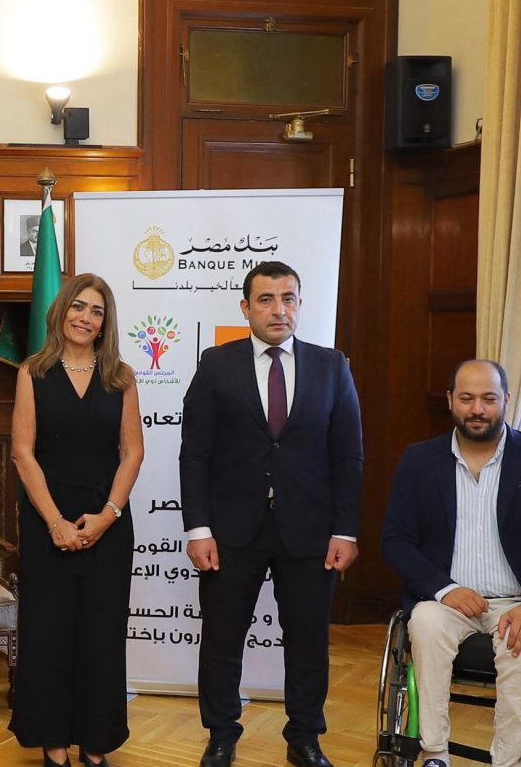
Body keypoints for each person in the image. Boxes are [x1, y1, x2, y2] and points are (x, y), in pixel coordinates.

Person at [180, 260, 362, 767]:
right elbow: (195, 454)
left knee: (307, 642)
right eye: (266, 299)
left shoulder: (332, 366)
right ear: (246, 308)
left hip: (310, 532)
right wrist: (198, 528)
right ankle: (221, 734)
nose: (278, 309)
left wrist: (346, 531)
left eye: (288, 298)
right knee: (222, 640)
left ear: (300, 304)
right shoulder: (216, 365)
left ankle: (305, 738)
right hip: (231, 531)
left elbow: (348, 456)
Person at [379, 360, 521, 767]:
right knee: (425, 622)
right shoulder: (419, 461)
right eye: (467, 398)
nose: (477, 409)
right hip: (446, 599)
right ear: (450, 400)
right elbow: (396, 541)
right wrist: (445, 589)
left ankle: (509, 761)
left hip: (520, 601)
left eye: (489, 398)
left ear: (506, 400)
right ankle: (434, 753)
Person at [7, 274, 143, 766]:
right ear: (62, 310)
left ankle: (96, 741)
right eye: (79, 306)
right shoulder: (34, 371)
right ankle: (54, 743)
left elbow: (132, 452)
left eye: (97, 311)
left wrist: (107, 516)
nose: (86, 317)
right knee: (49, 634)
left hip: (108, 524)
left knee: (101, 635)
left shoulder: (121, 376)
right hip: (48, 522)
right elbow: (22, 453)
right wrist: (55, 523)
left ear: (106, 323)